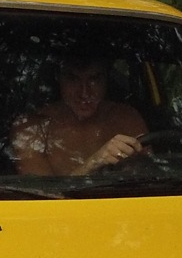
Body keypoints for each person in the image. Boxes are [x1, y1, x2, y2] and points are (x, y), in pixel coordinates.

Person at [11, 54, 148, 176]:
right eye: (73, 79)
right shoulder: (33, 129)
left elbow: (150, 177)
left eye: (94, 79)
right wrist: (94, 163)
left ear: (107, 78)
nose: (84, 93)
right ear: (58, 78)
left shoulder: (126, 118)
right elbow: (43, 199)